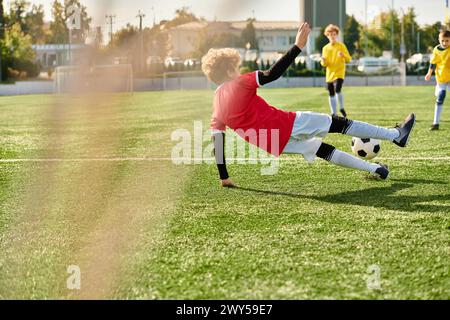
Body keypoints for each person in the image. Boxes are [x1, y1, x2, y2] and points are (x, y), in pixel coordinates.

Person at [201, 23, 416, 188]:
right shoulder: (239, 83)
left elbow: (217, 141)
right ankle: (394, 134)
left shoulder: (216, 106)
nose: (239, 71)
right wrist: (297, 47)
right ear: (229, 71)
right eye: (236, 67)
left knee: (321, 149)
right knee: (338, 123)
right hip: (286, 123)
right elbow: (272, 74)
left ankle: (376, 169)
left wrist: (224, 176)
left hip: (273, 144)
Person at [321, 24, 352, 118]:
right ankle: (334, 113)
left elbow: (349, 59)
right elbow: (324, 64)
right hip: (330, 74)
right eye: (330, 34)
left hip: (339, 72)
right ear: (327, 35)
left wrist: (343, 55)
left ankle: (341, 107)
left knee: (338, 89)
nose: (333, 36)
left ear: (337, 35)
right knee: (331, 92)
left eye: (334, 34)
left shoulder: (341, 46)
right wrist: (323, 61)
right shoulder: (325, 48)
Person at [425, 29, 450, 131]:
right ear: (439, 39)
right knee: (440, 96)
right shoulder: (436, 50)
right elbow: (433, 63)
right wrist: (429, 73)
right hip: (441, 79)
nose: (445, 43)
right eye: (443, 40)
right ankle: (435, 123)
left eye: (447, 40)